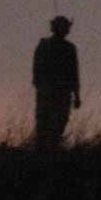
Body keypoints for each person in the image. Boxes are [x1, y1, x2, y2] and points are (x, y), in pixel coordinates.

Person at [32, 15, 81, 149]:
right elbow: (74, 74)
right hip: (59, 92)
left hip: (48, 92)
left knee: (46, 124)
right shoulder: (69, 48)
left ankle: (45, 151)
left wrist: (40, 88)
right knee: (55, 124)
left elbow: (36, 71)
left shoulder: (44, 46)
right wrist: (76, 96)